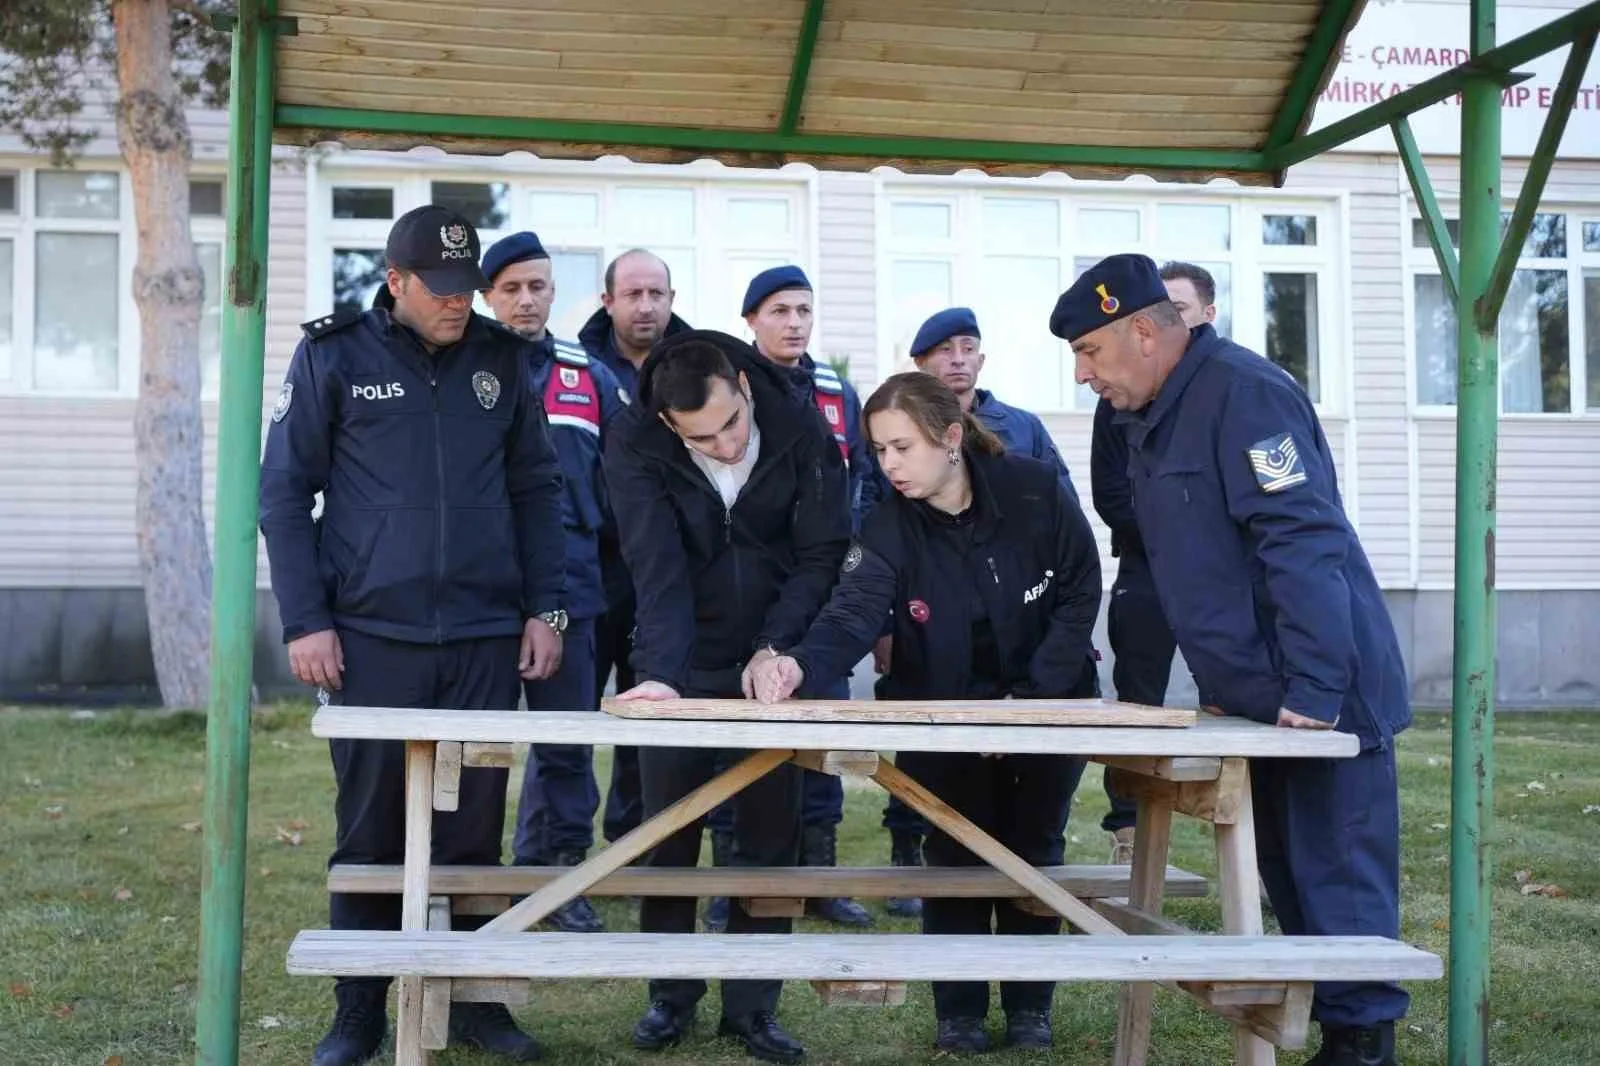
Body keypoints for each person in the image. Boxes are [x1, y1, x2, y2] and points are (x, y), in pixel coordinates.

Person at [1053, 253, 1412, 1066]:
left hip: (1321, 693)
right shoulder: (1153, 412)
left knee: (1337, 870)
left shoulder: (1242, 393)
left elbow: (1300, 539)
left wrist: (1317, 687)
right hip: (1256, 697)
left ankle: (1364, 1043)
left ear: (1144, 333)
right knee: (1286, 870)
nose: (1082, 375)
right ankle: (1341, 1034)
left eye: (1090, 353)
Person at [261, 205, 566, 1066]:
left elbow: (537, 493)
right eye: (439, 290)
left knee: (473, 831)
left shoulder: (502, 363)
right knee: (370, 832)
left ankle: (475, 1003)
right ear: (393, 281)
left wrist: (547, 608)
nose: (458, 305)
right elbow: (285, 494)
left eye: (467, 289)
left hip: (481, 635)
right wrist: (307, 618)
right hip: (371, 636)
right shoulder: (333, 356)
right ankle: (357, 1011)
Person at [748, 371, 1102, 1055]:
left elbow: (1080, 592)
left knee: (1034, 851)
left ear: (950, 438)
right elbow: (850, 616)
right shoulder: (888, 526)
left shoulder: (1034, 490)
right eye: (879, 451)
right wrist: (796, 663)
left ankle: (1030, 1006)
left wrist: (1026, 708)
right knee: (953, 856)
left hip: (1046, 704)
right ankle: (960, 1010)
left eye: (902, 447)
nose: (890, 465)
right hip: (938, 713)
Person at [604, 329, 850, 1064]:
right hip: (678, 652)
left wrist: (779, 648)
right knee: (667, 830)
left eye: (731, 425)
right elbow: (655, 566)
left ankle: (753, 1006)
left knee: (771, 837)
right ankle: (670, 997)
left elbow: (821, 552)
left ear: (743, 387)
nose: (724, 445)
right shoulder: (634, 441)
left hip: (773, 658)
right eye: (700, 438)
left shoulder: (800, 420)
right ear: (669, 427)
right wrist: (662, 674)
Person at [705, 263, 876, 929]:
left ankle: (820, 879)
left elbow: (865, 482)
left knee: (822, 740)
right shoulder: (736, 387)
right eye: (779, 310)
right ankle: (733, 883)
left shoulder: (837, 392)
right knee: (743, 746)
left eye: (803, 310)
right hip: (758, 596)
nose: (794, 323)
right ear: (751, 320)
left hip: (830, 594)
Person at [482, 231, 627, 934]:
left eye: (537, 286)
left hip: (571, 591)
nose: (526, 300)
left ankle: (556, 878)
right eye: (510, 288)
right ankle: (468, 881)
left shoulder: (589, 374)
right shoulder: (458, 368)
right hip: (478, 592)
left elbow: (625, 483)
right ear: (486, 296)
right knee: (470, 748)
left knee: (567, 741)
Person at [1089, 262, 1211, 862]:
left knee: (1238, 703)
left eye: (1181, 310)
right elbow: (1110, 494)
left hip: (1216, 581)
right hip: (1144, 572)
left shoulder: (1226, 394)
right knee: (1136, 702)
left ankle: (1255, 836)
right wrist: (1169, 536)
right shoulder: (1116, 400)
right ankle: (1128, 832)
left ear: (1201, 318)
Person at [576, 249, 692, 848]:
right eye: (633, 295)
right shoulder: (575, 367)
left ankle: (635, 844)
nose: (646, 306)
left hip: (667, 578)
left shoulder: (701, 368)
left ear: (672, 300)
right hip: (591, 572)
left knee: (650, 713)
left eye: (657, 294)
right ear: (608, 301)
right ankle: (556, 856)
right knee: (570, 724)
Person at [909, 306, 1080, 503]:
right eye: (945, 350)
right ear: (920, 362)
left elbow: (1063, 501)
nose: (958, 360)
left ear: (980, 361)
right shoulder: (903, 428)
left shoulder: (1024, 427)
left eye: (968, 349)